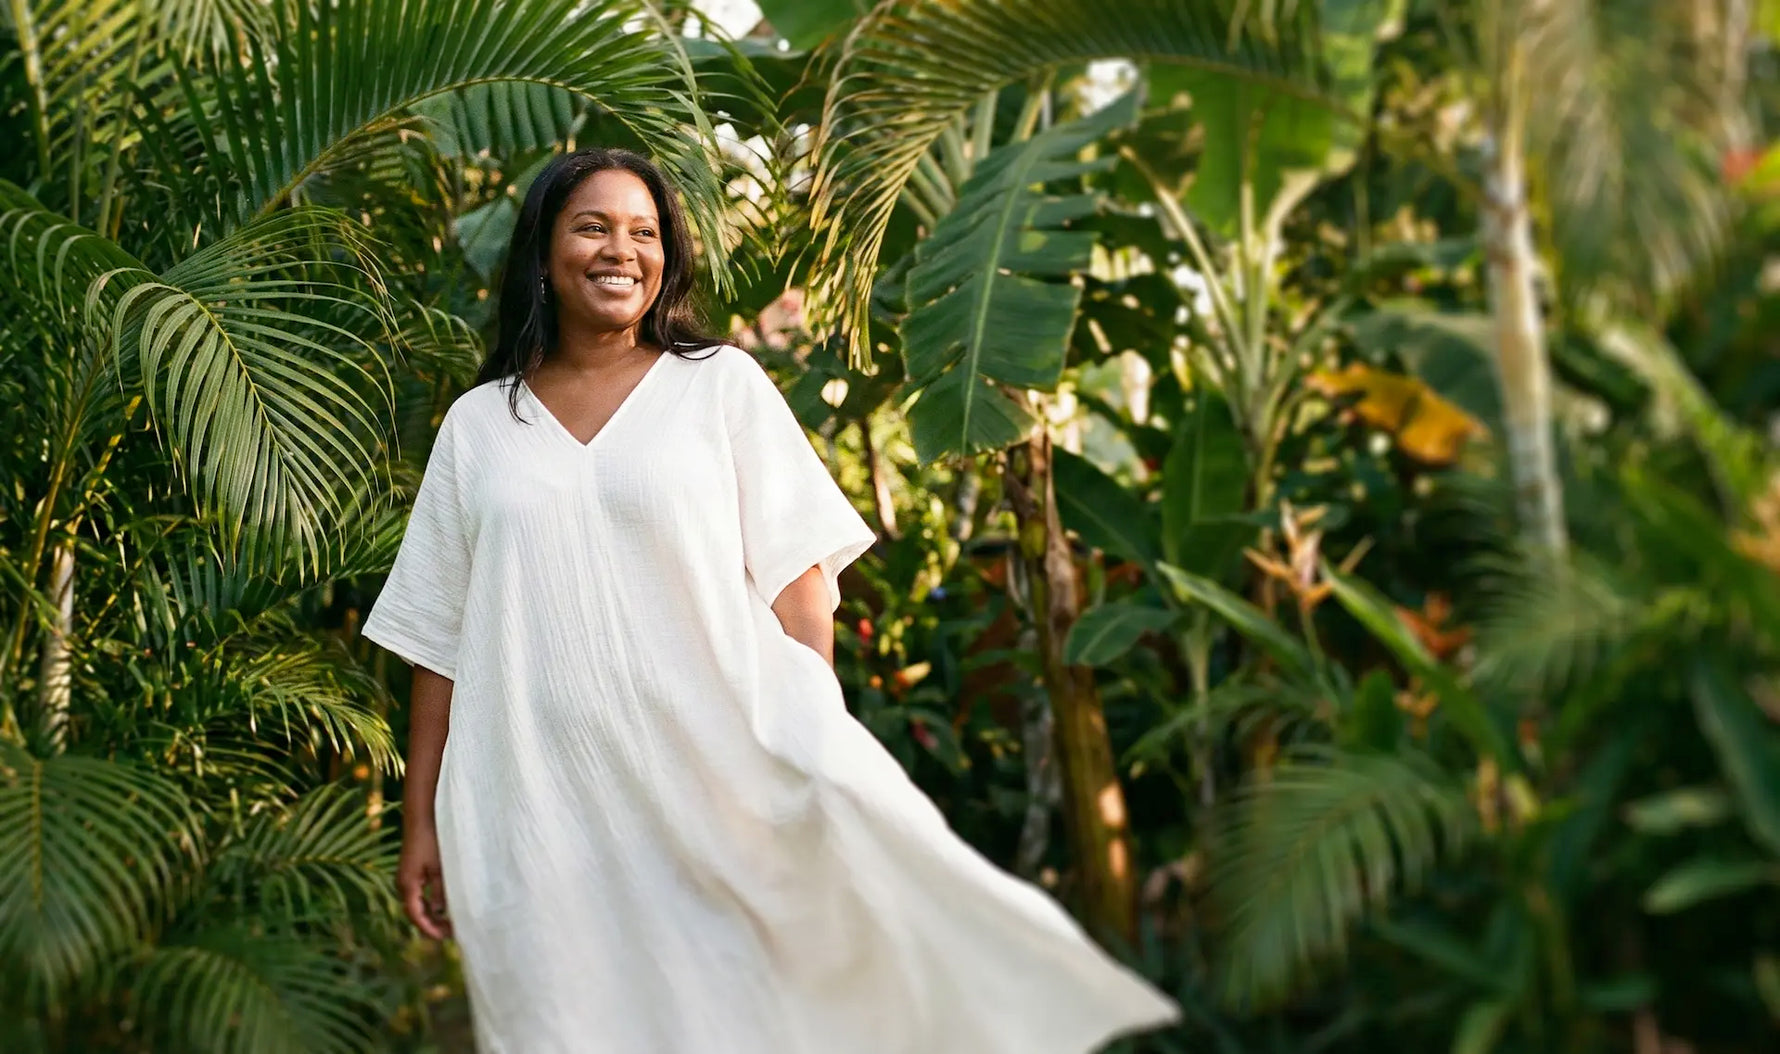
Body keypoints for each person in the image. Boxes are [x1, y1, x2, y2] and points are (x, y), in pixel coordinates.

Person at [361, 146, 1180, 1054]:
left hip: (717, 782)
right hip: (541, 809)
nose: (619, 251)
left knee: (746, 1011)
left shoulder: (719, 386)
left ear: (668, 256)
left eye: (644, 232)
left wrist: (814, 739)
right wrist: (421, 820)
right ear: (544, 253)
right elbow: (436, 638)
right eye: (591, 227)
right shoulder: (482, 426)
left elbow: (799, 581)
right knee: (566, 1023)